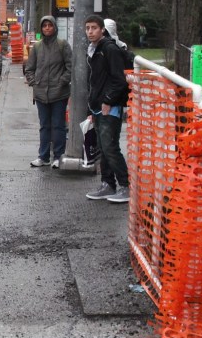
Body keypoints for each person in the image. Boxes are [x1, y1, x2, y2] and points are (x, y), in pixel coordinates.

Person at [84, 14, 130, 203]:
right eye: (87, 28)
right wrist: (91, 109)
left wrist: (108, 100)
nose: (90, 32)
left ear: (102, 29)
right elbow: (95, 82)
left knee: (110, 146)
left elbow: (119, 80)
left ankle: (126, 186)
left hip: (110, 106)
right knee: (103, 147)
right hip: (99, 106)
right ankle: (107, 184)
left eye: (94, 28)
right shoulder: (95, 50)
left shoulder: (109, 49)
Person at [23, 15, 72, 169]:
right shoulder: (37, 47)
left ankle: (58, 156)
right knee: (44, 125)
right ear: (41, 29)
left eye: (50, 25)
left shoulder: (62, 45)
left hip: (59, 94)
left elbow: (70, 66)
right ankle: (43, 156)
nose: (47, 28)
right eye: (44, 26)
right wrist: (34, 82)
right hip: (41, 94)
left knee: (58, 125)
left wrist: (62, 81)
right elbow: (29, 68)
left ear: (54, 27)